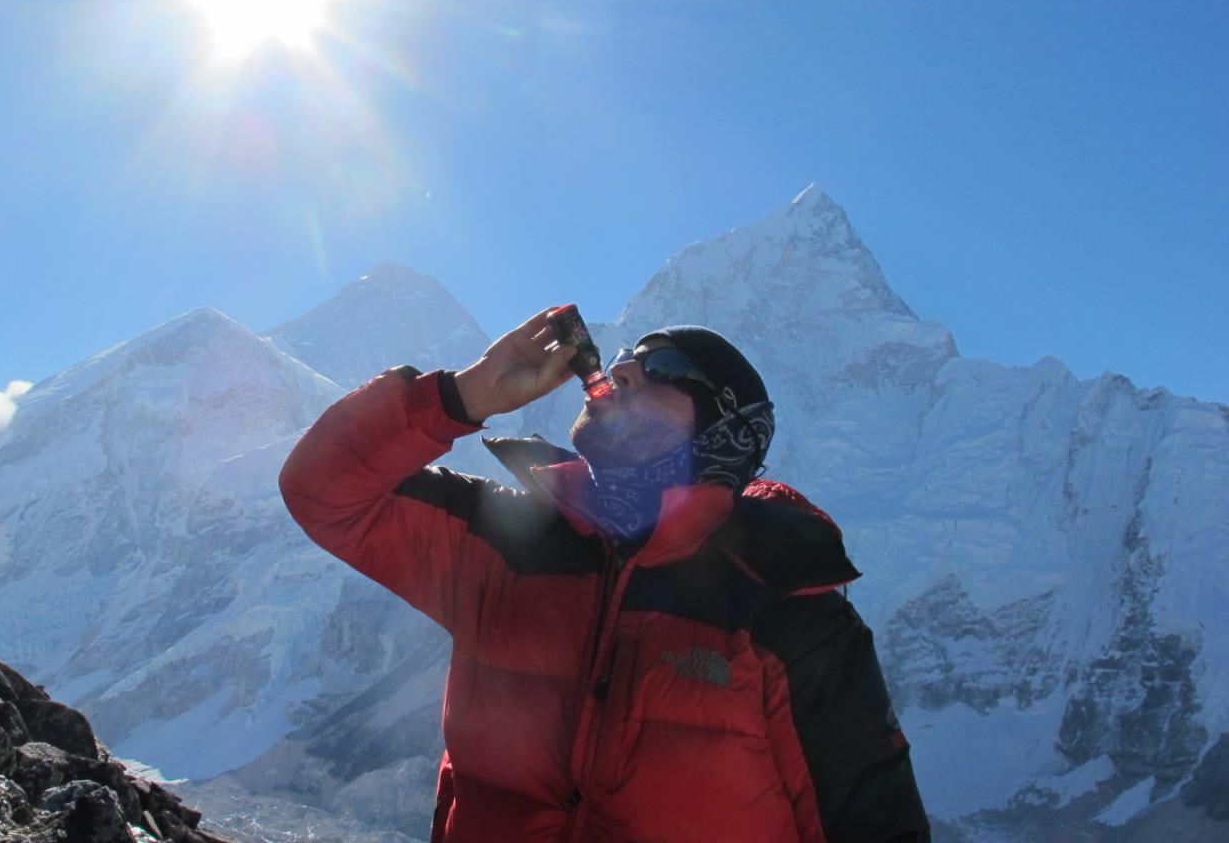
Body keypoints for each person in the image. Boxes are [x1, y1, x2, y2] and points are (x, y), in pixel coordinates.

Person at [280, 307, 929, 842]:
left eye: (663, 368)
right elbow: (321, 492)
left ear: (722, 431)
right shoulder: (504, 538)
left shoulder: (786, 606)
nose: (618, 369)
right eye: (624, 356)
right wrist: (461, 395)